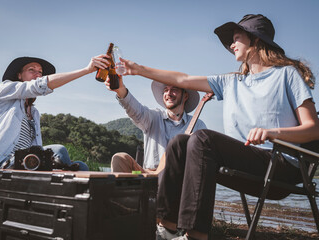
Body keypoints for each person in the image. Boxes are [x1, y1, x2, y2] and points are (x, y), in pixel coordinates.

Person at [120, 14, 319, 240]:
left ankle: (195, 236)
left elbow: (313, 129)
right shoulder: (232, 81)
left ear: (255, 40)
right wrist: (138, 69)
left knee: (202, 139)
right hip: (245, 163)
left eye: (236, 38)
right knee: (179, 143)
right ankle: (166, 228)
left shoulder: (287, 75)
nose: (232, 45)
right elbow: (183, 79)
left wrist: (273, 133)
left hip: (279, 165)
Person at [0, 55, 109, 183]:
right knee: (51, 155)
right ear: (19, 75)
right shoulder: (4, 90)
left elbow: (36, 147)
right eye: (31, 70)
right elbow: (38, 86)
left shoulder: (34, 113)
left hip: (29, 163)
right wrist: (87, 70)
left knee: (80, 165)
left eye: (40, 72)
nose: (37, 75)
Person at [103, 73, 206, 173]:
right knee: (120, 158)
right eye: (166, 90)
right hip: (149, 175)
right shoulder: (153, 117)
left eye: (174, 90)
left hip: (179, 178)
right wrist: (120, 89)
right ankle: (126, 189)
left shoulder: (198, 125)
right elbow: (136, 111)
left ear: (185, 96)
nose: (168, 94)